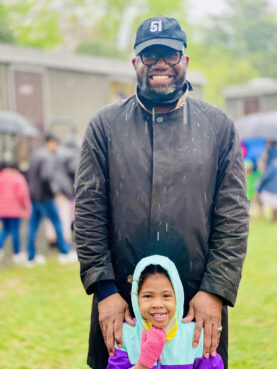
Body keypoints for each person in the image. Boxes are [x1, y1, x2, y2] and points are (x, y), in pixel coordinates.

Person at [74, 16, 249, 369]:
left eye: (169, 54)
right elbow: (88, 212)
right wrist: (105, 290)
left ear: (185, 61)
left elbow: (233, 216)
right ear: (135, 63)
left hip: (197, 300)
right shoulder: (105, 126)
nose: (160, 64)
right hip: (122, 301)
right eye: (149, 55)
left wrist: (215, 291)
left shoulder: (217, 126)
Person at [107, 255, 224, 369]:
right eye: (148, 296)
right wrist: (143, 364)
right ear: (136, 298)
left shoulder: (195, 336)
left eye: (166, 295)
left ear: (178, 296)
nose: (157, 304)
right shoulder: (126, 336)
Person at [27, 133, 77, 265]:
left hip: (34, 196)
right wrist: (54, 191)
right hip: (45, 197)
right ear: (52, 142)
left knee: (33, 227)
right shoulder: (47, 156)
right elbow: (47, 176)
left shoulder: (35, 155)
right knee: (57, 223)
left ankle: (31, 257)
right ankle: (65, 252)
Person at [0, 161, 31, 264]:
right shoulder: (18, 177)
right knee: (15, 231)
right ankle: (17, 253)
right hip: (15, 210)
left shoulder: (1, 176)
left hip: (2, 210)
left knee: (5, 229)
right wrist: (26, 207)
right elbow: (22, 194)